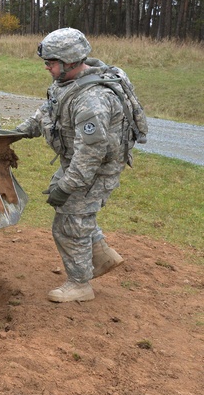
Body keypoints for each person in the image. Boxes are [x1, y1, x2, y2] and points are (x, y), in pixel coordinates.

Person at [15, 27, 128, 303]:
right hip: (78, 162)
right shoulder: (66, 83)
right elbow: (47, 110)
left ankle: (80, 284)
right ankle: (101, 256)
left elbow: (90, 155)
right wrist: (17, 132)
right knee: (73, 211)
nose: (46, 67)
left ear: (71, 62)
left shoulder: (93, 100)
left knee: (69, 223)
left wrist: (67, 187)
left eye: (51, 63)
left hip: (95, 169)